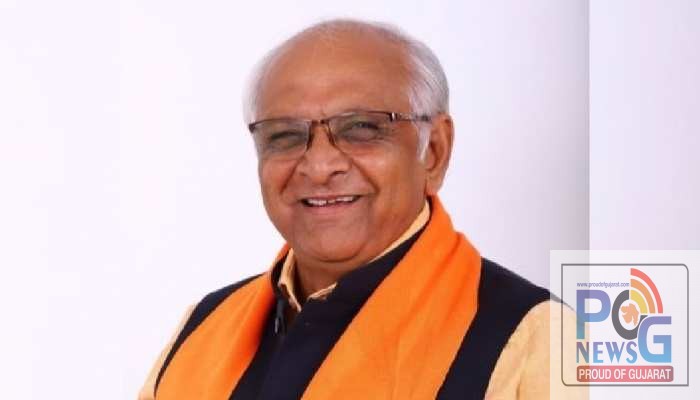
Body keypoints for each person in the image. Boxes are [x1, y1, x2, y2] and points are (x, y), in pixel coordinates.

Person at [139, 19, 582, 400]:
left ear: (434, 151)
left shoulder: (536, 338)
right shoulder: (204, 328)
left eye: (362, 129)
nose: (319, 166)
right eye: (285, 136)